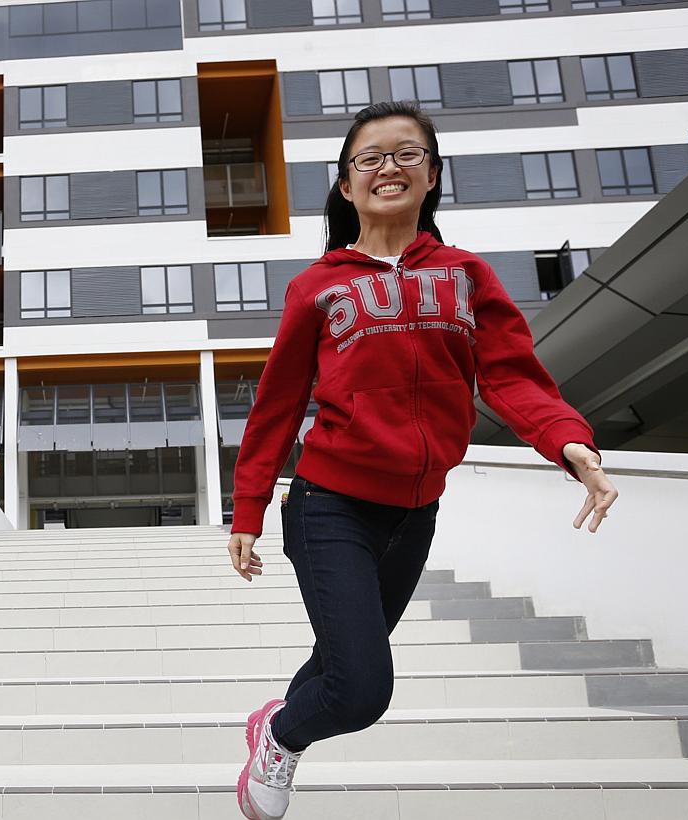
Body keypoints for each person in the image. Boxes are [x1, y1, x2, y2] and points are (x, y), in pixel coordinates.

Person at [227, 101, 619, 820]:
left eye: (408, 154)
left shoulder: (465, 275)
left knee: (343, 660)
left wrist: (570, 442)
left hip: (414, 513)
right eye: (370, 158)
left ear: (432, 175)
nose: (389, 167)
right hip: (328, 505)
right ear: (346, 184)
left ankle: (274, 727)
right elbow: (277, 404)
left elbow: (511, 376)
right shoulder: (317, 285)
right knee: (361, 689)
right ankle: (280, 737)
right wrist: (247, 508)